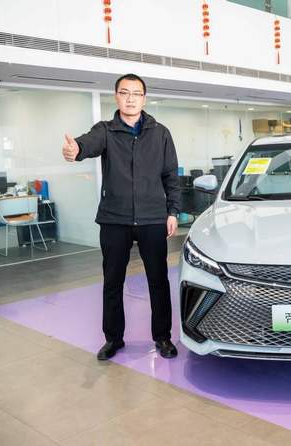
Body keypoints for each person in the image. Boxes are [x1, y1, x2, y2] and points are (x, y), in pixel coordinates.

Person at [62, 73, 181, 359]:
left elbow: (171, 175)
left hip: (152, 218)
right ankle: (113, 339)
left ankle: (163, 338)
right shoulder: (105, 130)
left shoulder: (161, 133)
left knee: (158, 281)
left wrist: (173, 211)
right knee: (112, 282)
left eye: (136, 93)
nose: (130, 99)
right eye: (125, 93)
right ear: (116, 96)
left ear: (144, 98)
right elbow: (87, 143)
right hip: (114, 219)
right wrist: (76, 149)